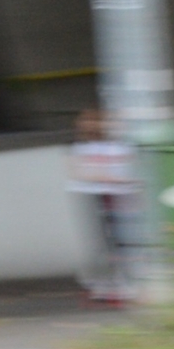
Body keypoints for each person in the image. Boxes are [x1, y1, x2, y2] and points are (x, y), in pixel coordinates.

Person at [67, 110, 137, 305]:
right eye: (86, 122)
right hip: (96, 197)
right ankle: (106, 285)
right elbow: (78, 172)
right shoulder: (80, 148)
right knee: (105, 244)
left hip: (119, 198)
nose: (90, 127)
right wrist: (108, 178)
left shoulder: (118, 147)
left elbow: (131, 170)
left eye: (94, 122)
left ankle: (122, 285)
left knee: (121, 243)